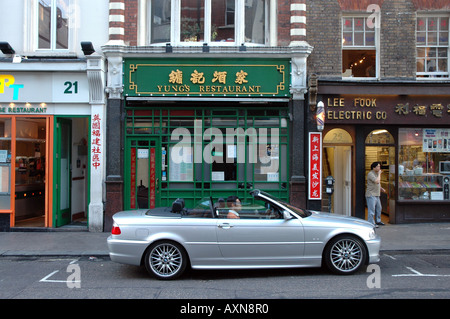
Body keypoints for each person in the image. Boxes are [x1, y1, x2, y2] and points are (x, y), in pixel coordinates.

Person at [366, 162, 385, 227]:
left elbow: (378, 183)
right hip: (371, 194)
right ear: (374, 167)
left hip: (377, 194)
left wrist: (381, 188)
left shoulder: (376, 174)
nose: (379, 168)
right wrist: (379, 174)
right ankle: (371, 223)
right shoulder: (370, 174)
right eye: (378, 166)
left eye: (379, 166)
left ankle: (378, 221)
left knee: (379, 208)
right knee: (372, 210)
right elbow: (377, 181)